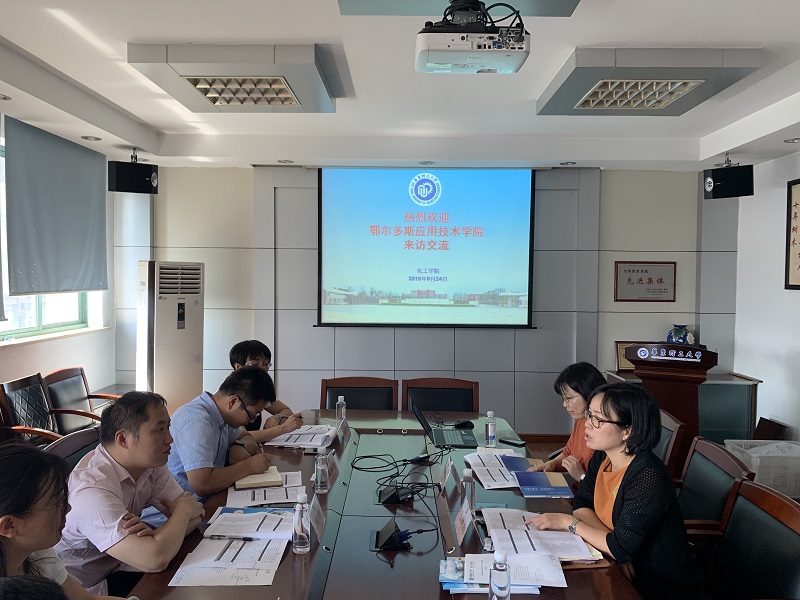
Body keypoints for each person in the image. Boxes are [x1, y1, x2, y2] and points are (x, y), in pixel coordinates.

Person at [527, 383, 699, 599]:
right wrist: (613, 547)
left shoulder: (647, 476)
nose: (587, 424)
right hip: (616, 567)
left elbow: (619, 547)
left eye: (598, 419)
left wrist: (567, 523)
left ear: (628, 431)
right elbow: (582, 504)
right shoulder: (603, 455)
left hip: (653, 586)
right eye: (589, 415)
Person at [55, 392, 204, 596]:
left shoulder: (150, 463)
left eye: (168, 428)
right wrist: (178, 516)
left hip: (121, 566)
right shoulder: (92, 490)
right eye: (159, 429)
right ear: (123, 439)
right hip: (86, 589)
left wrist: (156, 538)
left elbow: (195, 515)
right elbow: (154, 559)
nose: (169, 439)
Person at [0, 443, 128, 599]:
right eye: (56, 503)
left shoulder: (37, 553)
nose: (67, 508)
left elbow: (87, 599)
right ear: (9, 526)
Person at [168, 366, 295, 498]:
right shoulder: (197, 421)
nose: (252, 421)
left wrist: (238, 445)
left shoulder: (221, 414)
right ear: (233, 401)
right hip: (185, 505)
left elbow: (248, 438)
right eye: (252, 414)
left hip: (212, 495)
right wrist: (248, 466)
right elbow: (202, 484)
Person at [529, 362, 606, 482]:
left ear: (588, 392)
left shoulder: (606, 433)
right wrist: (551, 464)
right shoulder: (580, 420)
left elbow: (604, 488)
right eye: (563, 399)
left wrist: (581, 476)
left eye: (568, 398)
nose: (564, 404)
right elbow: (568, 453)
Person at [229, 340, 302, 432]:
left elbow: (286, 410)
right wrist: (282, 429)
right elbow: (242, 436)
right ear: (238, 367)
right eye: (255, 364)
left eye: (266, 364)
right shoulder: (232, 394)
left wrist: (276, 418)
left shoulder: (258, 390)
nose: (263, 368)